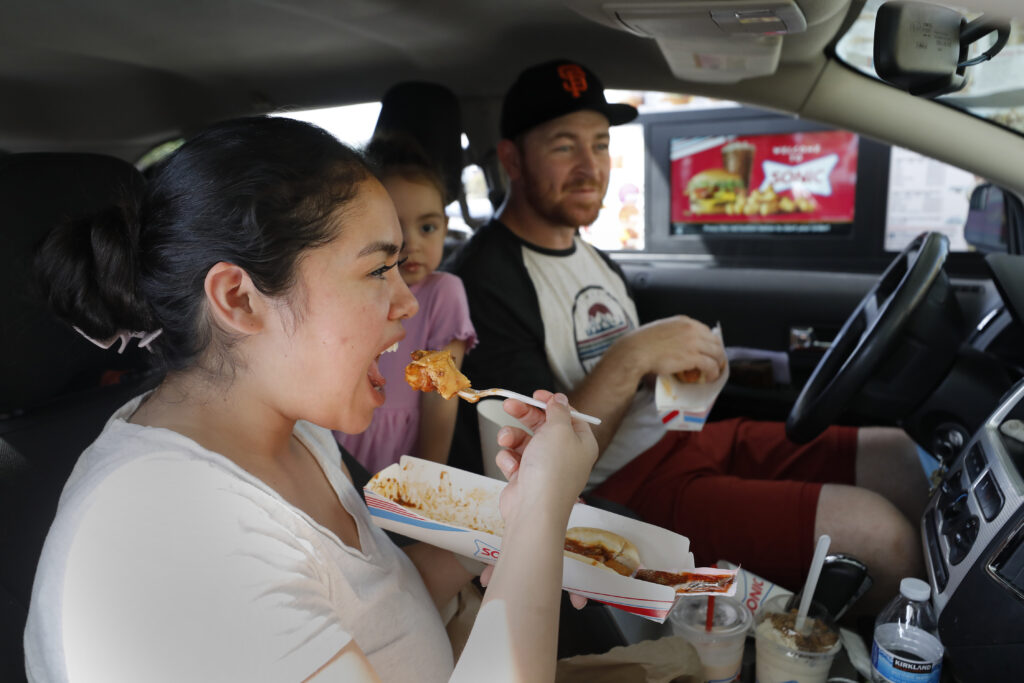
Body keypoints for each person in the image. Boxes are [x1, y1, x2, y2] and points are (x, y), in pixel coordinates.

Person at [24, 116, 597, 682]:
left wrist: (506, 532)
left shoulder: (294, 434)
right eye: (378, 270)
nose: (409, 304)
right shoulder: (170, 531)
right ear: (240, 299)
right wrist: (539, 527)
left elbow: (379, 614)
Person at [443, 59, 928, 607]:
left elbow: (635, 381)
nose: (590, 166)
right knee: (883, 537)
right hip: (616, 495)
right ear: (512, 159)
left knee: (901, 455)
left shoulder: (593, 258)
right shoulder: (485, 280)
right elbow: (540, 466)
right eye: (563, 146)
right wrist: (634, 355)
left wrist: (681, 368)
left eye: (600, 145)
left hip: (680, 438)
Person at [335, 134, 476, 472]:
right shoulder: (350, 288)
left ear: (445, 228)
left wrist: (427, 478)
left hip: (401, 453)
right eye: (395, 226)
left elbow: (441, 394)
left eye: (428, 227)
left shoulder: (444, 293)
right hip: (337, 436)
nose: (411, 243)